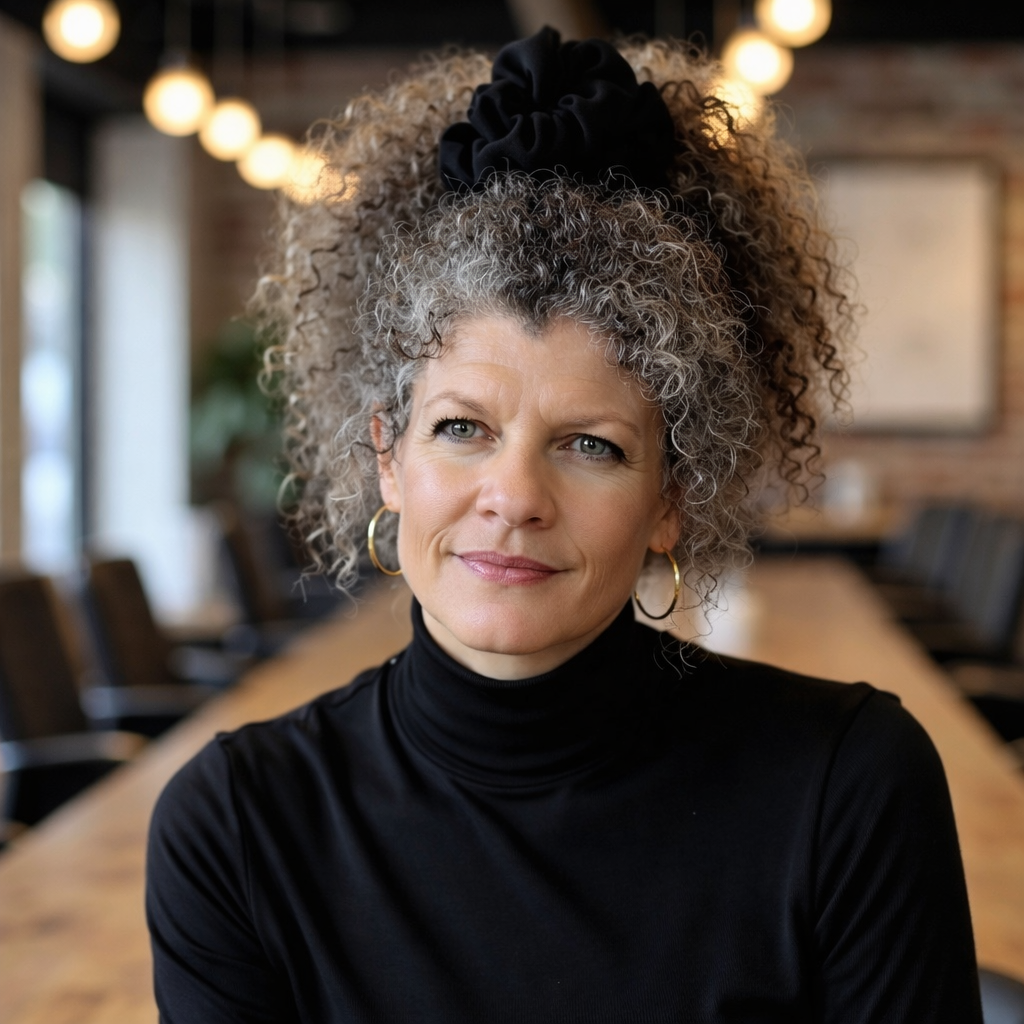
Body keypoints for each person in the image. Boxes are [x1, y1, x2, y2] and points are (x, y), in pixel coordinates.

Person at [147, 28, 983, 1023]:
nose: (514, 496)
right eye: (461, 429)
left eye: (591, 444)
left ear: (672, 496)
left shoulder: (850, 787)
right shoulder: (236, 826)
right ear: (388, 458)